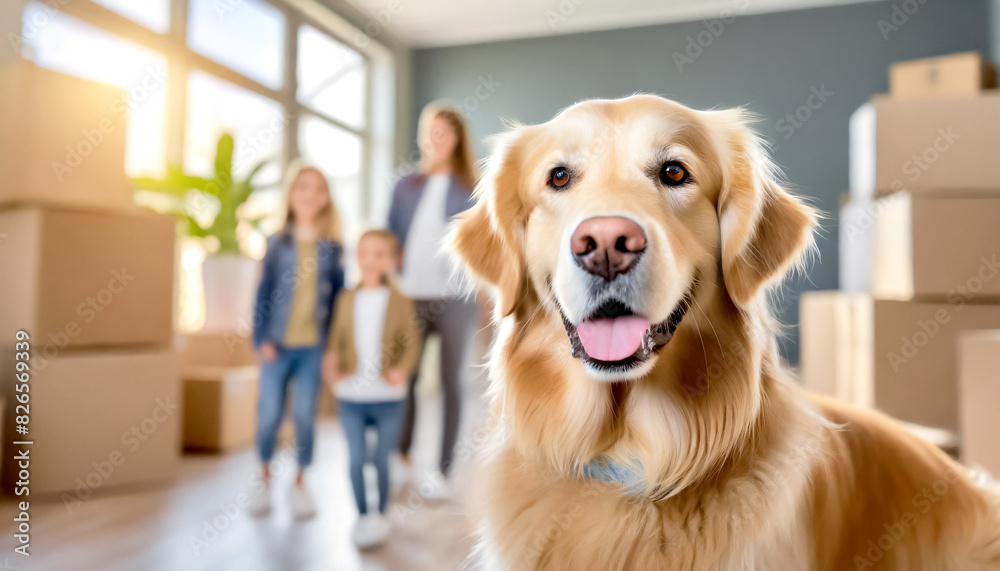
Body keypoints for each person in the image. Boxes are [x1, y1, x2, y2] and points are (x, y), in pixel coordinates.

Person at [388, 102, 480, 496]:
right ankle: (402, 456)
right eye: (430, 131)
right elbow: (388, 234)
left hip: (456, 299)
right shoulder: (404, 186)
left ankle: (441, 471)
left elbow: (481, 245)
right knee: (404, 377)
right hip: (411, 296)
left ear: (456, 139)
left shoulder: (471, 188)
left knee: (449, 384)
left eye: (443, 132)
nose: (435, 139)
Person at [250, 161, 344, 519]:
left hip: (312, 348)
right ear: (291, 194)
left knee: (305, 415)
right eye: (303, 187)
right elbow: (262, 294)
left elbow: (336, 301)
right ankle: (263, 477)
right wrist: (261, 338)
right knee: (270, 413)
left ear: (326, 199)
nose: (310, 194)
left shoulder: (332, 248)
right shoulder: (276, 243)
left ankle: (301, 482)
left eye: (319, 189)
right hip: (276, 345)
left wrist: (332, 349)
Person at [324, 229, 421, 548]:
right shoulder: (346, 298)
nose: (370, 260)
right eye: (364, 252)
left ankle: (380, 514)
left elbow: (411, 341)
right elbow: (336, 340)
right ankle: (363, 515)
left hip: (388, 397)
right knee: (354, 459)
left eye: (379, 254)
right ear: (356, 256)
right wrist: (332, 363)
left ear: (392, 261)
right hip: (350, 395)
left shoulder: (401, 300)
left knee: (381, 458)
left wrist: (402, 371)